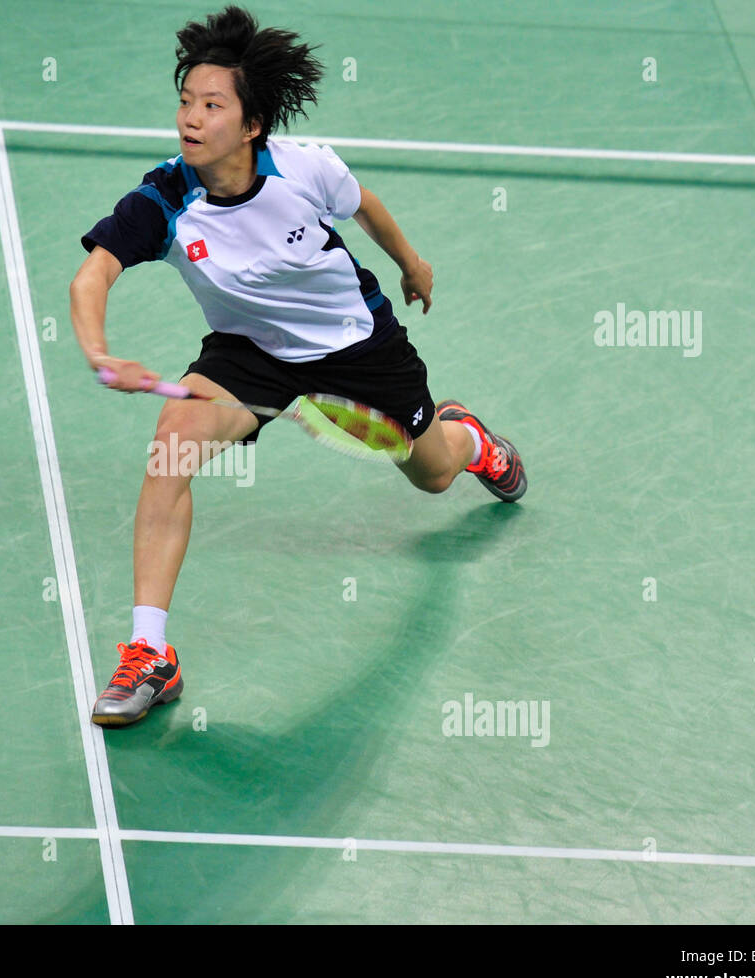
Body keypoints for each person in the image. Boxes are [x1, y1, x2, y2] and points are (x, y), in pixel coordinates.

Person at [69, 5, 525, 727]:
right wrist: (99, 352)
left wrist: (412, 264)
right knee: (170, 448)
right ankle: (150, 654)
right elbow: (90, 278)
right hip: (249, 353)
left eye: (212, 105)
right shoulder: (165, 197)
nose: (190, 117)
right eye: (185, 101)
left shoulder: (302, 168)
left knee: (432, 474)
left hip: (357, 347)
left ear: (251, 125)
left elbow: (364, 205)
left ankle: (468, 437)